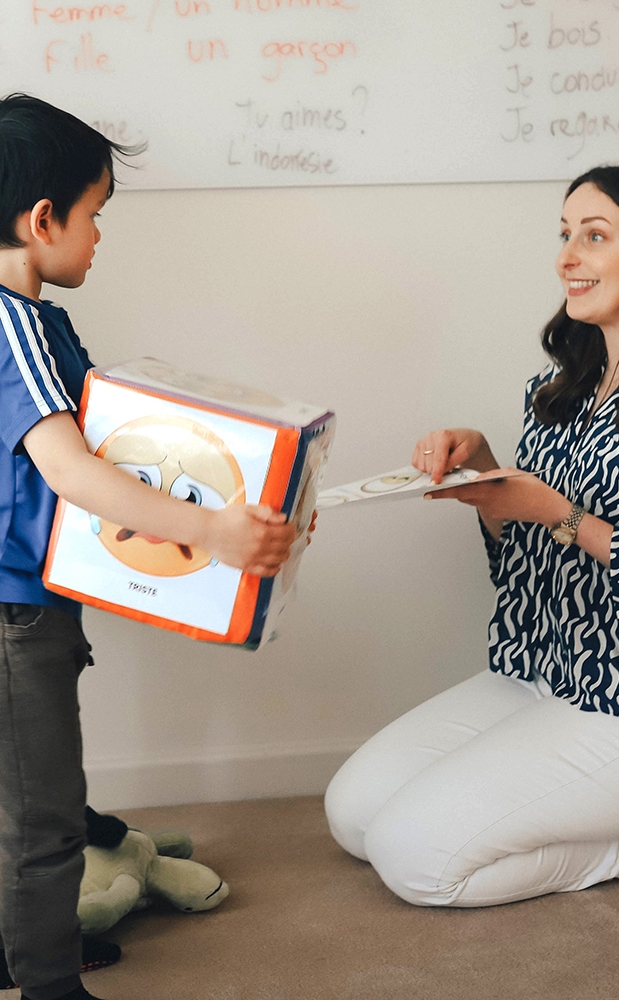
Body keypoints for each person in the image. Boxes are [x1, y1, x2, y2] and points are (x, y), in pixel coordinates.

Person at [325, 163, 619, 909]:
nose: (567, 257)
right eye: (564, 235)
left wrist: (560, 514)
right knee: (352, 815)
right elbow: (527, 575)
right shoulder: (556, 390)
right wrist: (488, 486)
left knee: (414, 859)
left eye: (595, 235)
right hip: (538, 674)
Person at [0, 94, 297, 1000]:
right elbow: (74, 471)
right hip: (15, 618)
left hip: (31, 605)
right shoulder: (13, 324)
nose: (100, 238)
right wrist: (211, 529)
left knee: (27, 802)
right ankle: (48, 985)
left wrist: (256, 495)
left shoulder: (37, 321)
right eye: (95, 217)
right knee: (42, 820)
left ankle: (22, 949)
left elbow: (122, 441)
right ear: (43, 219)